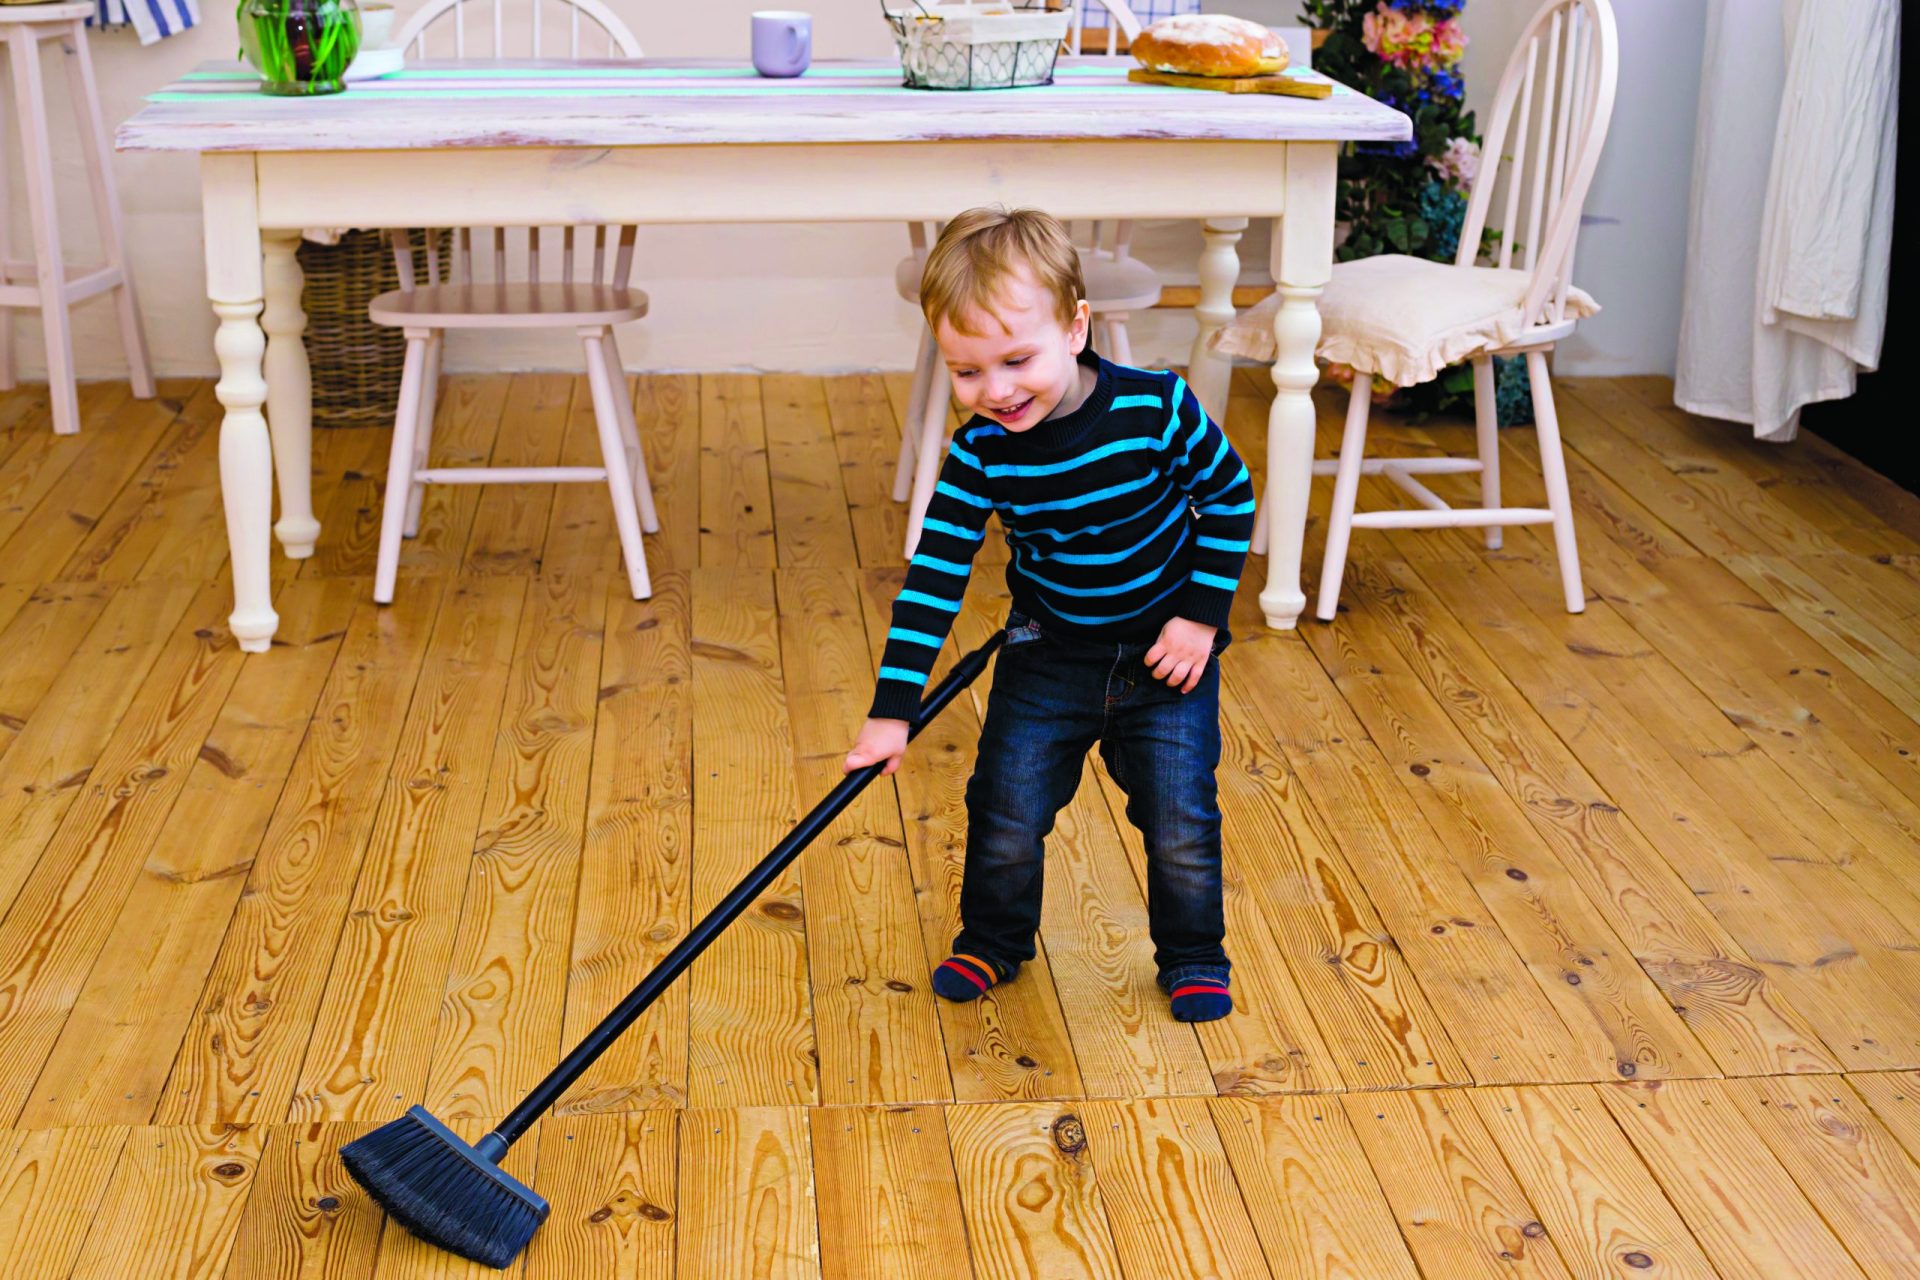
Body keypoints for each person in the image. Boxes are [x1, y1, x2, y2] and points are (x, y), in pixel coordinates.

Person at [844, 207, 1255, 1023]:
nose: (994, 391)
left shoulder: (1158, 410)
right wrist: (892, 714)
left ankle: (1194, 956)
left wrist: (1198, 621)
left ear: (1075, 327)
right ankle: (993, 941)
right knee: (1004, 804)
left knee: (1179, 816)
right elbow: (933, 580)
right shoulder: (980, 454)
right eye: (965, 371)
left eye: (1015, 360)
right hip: (1047, 653)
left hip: (1164, 654)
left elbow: (1231, 496)